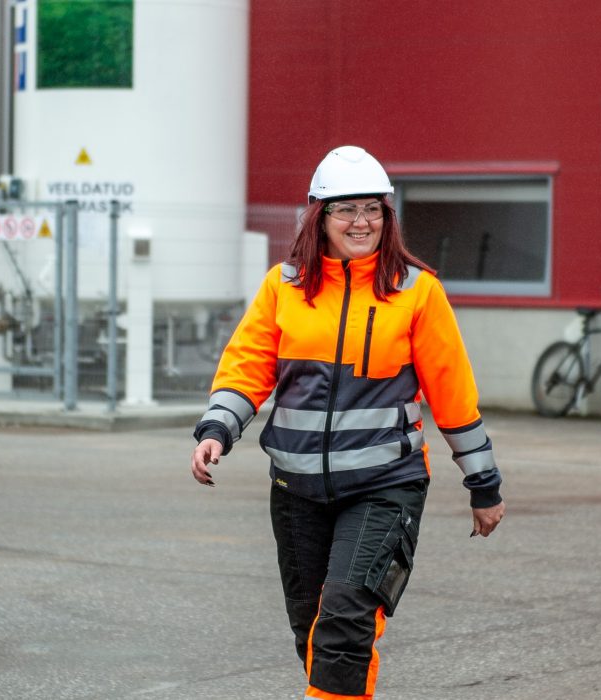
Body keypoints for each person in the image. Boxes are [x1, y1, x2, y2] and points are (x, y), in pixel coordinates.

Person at [189, 145, 505, 699]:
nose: (362, 222)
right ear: (319, 216)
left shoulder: (415, 291)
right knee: (310, 629)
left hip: (385, 486)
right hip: (296, 488)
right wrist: (217, 430)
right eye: (346, 209)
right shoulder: (284, 286)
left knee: (344, 624)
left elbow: (454, 394)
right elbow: (247, 367)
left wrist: (484, 484)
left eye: (373, 209)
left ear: (388, 216)